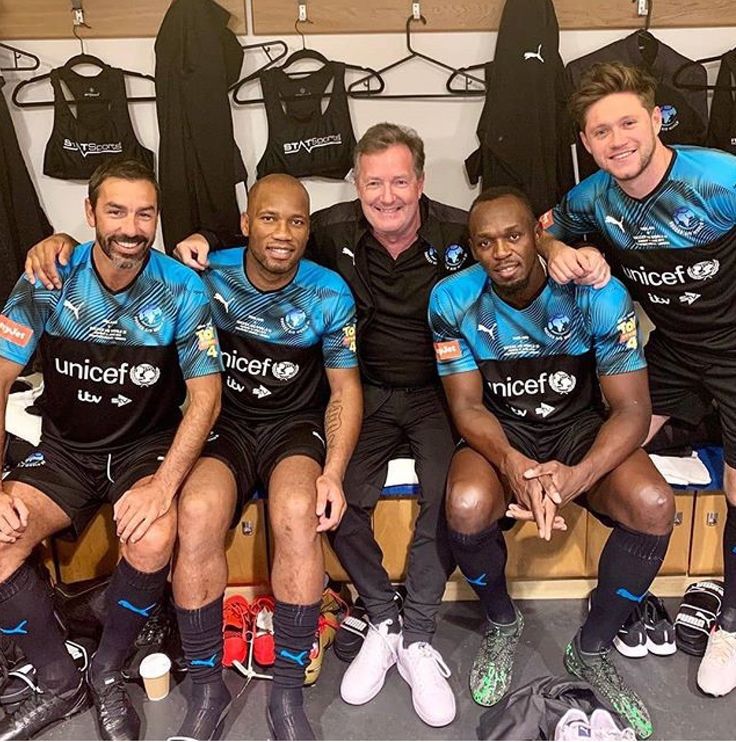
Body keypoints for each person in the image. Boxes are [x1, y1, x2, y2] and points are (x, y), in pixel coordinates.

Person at [24, 173, 363, 741]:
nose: (283, 233)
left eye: (297, 222)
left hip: (293, 429)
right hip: (222, 424)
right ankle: (205, 688)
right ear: (245, 223)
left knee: (299, 514)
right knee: (199, 515)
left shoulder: (330, 292)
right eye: (270, 219)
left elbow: (347, 390)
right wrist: (57, 240)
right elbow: (125, 262)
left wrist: (333, 473)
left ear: (309, 230)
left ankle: (286, 693)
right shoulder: (203, 275)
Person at [152, 122, 467, 727]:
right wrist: (195, 239)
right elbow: (257, 232)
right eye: (374, 182)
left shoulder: (447, 235)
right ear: (356, 185)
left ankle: (363, 656)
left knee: (426, 499)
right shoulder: (315, 233)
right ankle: (210, 684)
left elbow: (522, 241)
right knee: (203, 515)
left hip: (416, 395)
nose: (388, 194)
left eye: (401, 181)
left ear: (421, 183)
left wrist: (557, 246)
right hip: (243, 420)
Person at [428, 186, 674, 740]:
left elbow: (634, 409)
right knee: (465, 504)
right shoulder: (451, 300)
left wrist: (577, 476)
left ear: (539, 235)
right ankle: (501, 622)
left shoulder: (596, 295)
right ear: (472, 248)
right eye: (485, 242)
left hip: (578, 428)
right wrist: (514, 464)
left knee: (654, 505)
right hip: (504, 429)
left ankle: (592, 648)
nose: (502, 252)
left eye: (513, 235)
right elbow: (466, 406)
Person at [0, 159, 223, 741]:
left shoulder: (181, 288)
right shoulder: (48, 278)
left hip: (141, 450)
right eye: (117, 210)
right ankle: (57, 680)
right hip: (65, 450)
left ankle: (105, 670)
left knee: (154, 536)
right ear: (90, 213)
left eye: (144, 213)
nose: (131, 226)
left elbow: (205, 400)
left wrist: (163, 485)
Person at [538, 61, 736, 697]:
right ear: (587, 144)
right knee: (613, 449)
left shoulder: (719, 178)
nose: (617, 139)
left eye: (628, 122)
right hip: (674, 349)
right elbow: (543, 233)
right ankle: (627, 592)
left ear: (656, 120)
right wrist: (557, 253)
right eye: (600, 132)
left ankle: (730, 624)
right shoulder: (592, 197)